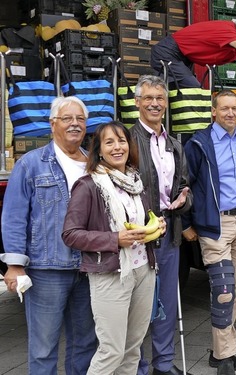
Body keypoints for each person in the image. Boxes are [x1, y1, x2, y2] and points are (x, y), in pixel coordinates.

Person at [0, 96, 97, 374]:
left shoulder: (93, 164)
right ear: (52, 123)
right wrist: (15, 265)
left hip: (87, 268)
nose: (75, 124)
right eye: (67, 118)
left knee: (85, 345)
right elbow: (15, 215)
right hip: (47, 270)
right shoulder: (31, 164)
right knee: (43, 350)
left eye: (80, 119)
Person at [62, 121, 166, 374]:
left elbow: (140, 223)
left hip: (143, 270)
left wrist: (156, 228)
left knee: (133, 349)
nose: (117, 147)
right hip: (111, 274)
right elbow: (70, 234)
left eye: (122, 141)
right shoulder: (88, 185)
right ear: (98, 150)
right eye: (109, 142)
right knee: (111, 350)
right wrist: (114, 240)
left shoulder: (135, 183)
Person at [182, 90, 236, 375]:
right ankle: (224, 356)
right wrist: (186, 223)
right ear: (214, 112)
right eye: (225, 109)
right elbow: (184, 184)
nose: (231, 113)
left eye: (235, 109)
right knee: (223, 290)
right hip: (214, 224)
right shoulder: (199, 143)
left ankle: (224, 351)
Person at [130, 75, 193, 375]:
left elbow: (184, 186)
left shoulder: (174, 144)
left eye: (160, 98)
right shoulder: (126, 140)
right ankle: (139, 367)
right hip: (138, 236)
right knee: (139, 306)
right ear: (137, 102)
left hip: (170, 234)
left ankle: (163, 365)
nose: (155, 103)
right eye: (149, 98)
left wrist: (184, 198)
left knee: (167, 302)